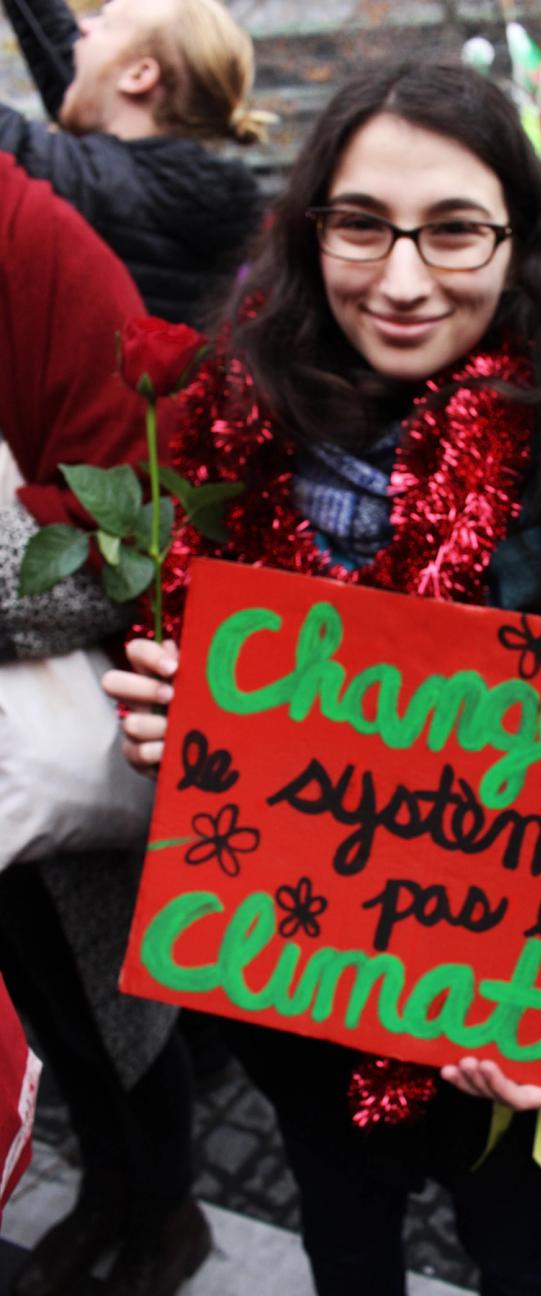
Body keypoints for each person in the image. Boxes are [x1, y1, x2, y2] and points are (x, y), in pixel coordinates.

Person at [103, 60, 541, 1296]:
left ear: (520, 237)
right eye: (364, 223)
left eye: (455, 229)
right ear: (314, 223)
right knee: (345, 1234)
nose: (406, 277)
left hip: (512, 1019)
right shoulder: (223, 430)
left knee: (522, 1243)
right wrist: (177, 728)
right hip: (301, 1001)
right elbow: (209, 738)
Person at [0, 155, 208, 1296]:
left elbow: (124, 540)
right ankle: (105, 1196)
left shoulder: (39, 246)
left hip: (75, 724)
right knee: (44, 1002)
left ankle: (165, 1212)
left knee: (119, 1008)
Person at [0, 0, 263, 323]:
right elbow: (70, 61)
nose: (83, 27)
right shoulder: (179, 192)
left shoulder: (97, 186)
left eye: (106, 24)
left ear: (140, 75)